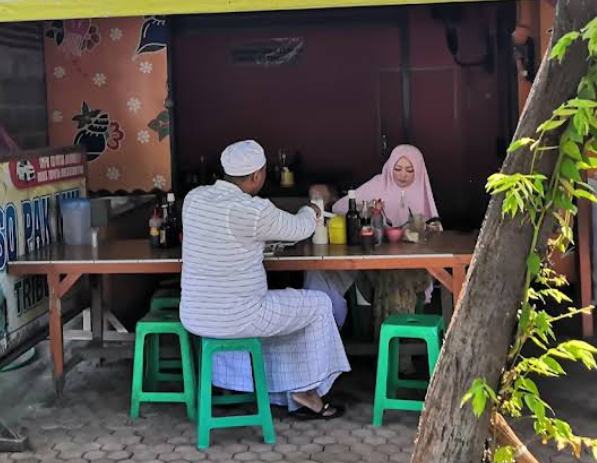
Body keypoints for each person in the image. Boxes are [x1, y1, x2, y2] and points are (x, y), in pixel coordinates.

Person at [180, 140, 350, 419]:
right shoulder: (254, 210)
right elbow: (298, 229)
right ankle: (307, 391)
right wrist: (313, 210)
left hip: (196, 315)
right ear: (257, 176)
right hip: (240, 315)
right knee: (318, 304)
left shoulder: (194, 199)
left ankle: (248, 385)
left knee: (287, 308)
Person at [305, 144, 440, 331]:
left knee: (397, 279)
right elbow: (340, 207)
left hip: (413, 266)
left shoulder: (421, 190)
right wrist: (367, 207)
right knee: (391, 279)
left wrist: (424, 229)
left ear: (419, 171)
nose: (402, 175)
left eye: (410, 170)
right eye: (397, 169)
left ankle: (391, 347)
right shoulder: (380, 183)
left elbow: (436, 229)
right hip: (379, 265)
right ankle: (395, 348)